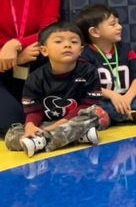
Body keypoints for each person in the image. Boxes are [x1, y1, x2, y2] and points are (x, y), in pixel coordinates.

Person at [4, 23, 110, 157]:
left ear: (81, 50)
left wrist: (62, 123)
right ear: (44, 50)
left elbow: (88, 105)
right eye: (59, 41)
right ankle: (76, 137)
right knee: (13, 133)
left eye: (74, 41)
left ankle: (42, 141)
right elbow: (35, 110)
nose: (67, 45)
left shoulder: (88, 71)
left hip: (74, 120)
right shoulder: (35, 78)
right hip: (48, 123)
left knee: (98, 114)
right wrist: (30, 126)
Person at [0, 0, 62, 133]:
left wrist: (17, 44)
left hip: (31, 63)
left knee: (56, 114)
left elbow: (49, 30)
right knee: (12, 123)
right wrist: (12, 55)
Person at [76, 4, 136, 126]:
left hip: (129, 98)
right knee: (93, 106)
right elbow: (87, 86)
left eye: (118, 23)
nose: (119, 27)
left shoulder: (125, 48)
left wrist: (127, 98)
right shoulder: (85, 54)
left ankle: (114, 117)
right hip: (104, 100)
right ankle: (131, 115)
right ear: (95, 32)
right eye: (113, 24)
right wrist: (112, 95)